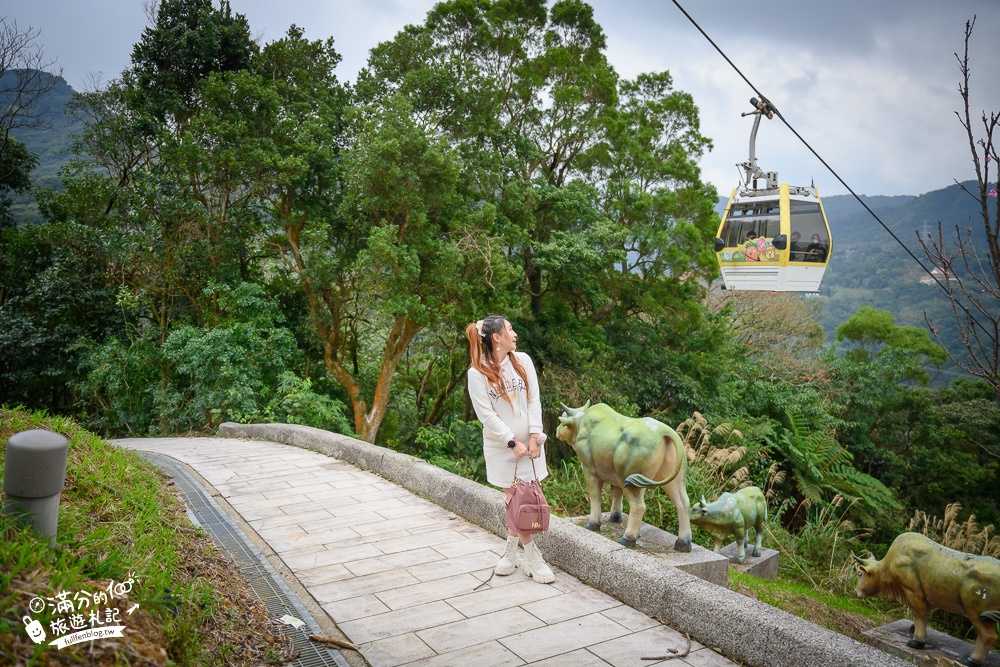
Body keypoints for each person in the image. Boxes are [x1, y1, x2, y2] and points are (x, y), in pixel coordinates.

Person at [465, 315, 555, 584]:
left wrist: (536, 434)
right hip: (504, 449)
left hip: (531, 447)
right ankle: (532, 556)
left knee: (522, 500)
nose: (515, 333)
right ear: (497, 337)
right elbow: (486, 416)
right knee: (519, 500)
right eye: (510, 329)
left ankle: (509, 551)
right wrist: (511, 441)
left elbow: (534, 399)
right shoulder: (477, 372)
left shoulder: (523, 360)